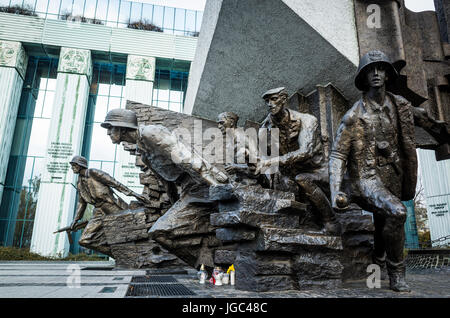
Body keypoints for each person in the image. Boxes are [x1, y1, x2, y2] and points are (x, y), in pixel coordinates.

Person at [329, 50, 417, 292]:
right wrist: (335, 189)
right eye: (370, 69)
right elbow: (337, 155)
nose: (376, 73)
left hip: (395, 176)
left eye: (381, 69)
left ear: (388, 74)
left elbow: (420, 123)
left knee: (383, 220)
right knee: (397, 213)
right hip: (366, 178)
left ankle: (378, 259)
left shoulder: (401, 106)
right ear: (363, 76)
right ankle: (397, 272)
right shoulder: (353, 117)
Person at [256, 87, 341, 234]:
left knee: (302, 179)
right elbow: (264, 159)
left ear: (284, 99)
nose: (270, 104)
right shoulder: (265, 128)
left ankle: (331, 221)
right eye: (267, 101)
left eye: (274, 99)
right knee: (278, 181)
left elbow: (305, 152)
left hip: (316, 171)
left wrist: (272, 162)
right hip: (290, 173)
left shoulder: (307, 120)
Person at [69, 155, 148, 255]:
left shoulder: (93, 173)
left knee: (129, 232)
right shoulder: (79, 183)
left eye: (73, 165)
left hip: (112, 207)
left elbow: (114, 183)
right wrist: (76, 219)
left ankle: (134, 254)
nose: (72, 167)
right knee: (84, 240)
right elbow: (81, 203)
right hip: (98, 211)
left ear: (80, 165)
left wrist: (133, 193)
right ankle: (122, 255)